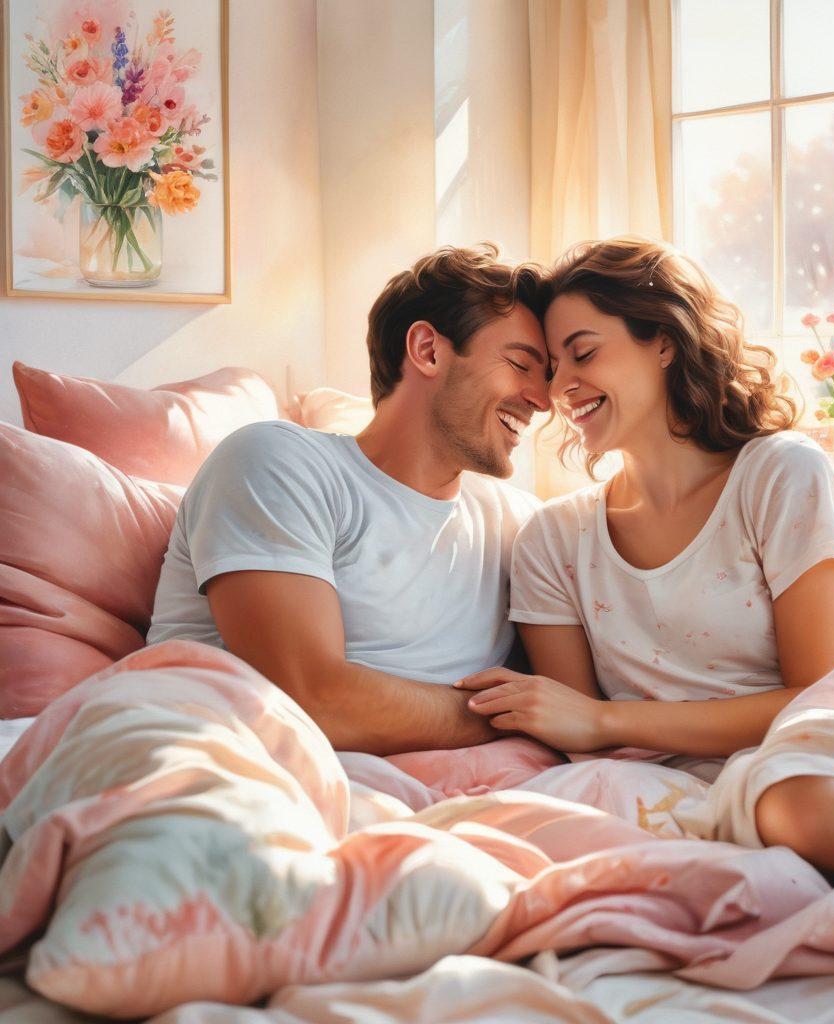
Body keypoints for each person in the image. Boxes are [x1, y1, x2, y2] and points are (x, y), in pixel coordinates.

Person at [457, 237, 834, 907]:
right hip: (764, 780)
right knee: (784, 804)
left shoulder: (780, 473)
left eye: (583, 354)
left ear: (663, 342)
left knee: (796, 801)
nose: (560, 388)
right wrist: (593, 726)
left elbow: (821, 695)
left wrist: (608, 721)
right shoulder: (552, 542)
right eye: (552, 368)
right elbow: (575, 732)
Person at [147, 244, 549, 755]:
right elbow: (312, 702)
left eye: (548, 377)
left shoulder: (520, 523)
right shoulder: (278, 462)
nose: (543, 400)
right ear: (428, 350)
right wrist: (514, 718)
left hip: (436, 785)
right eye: (520, 364)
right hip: (223, 758)